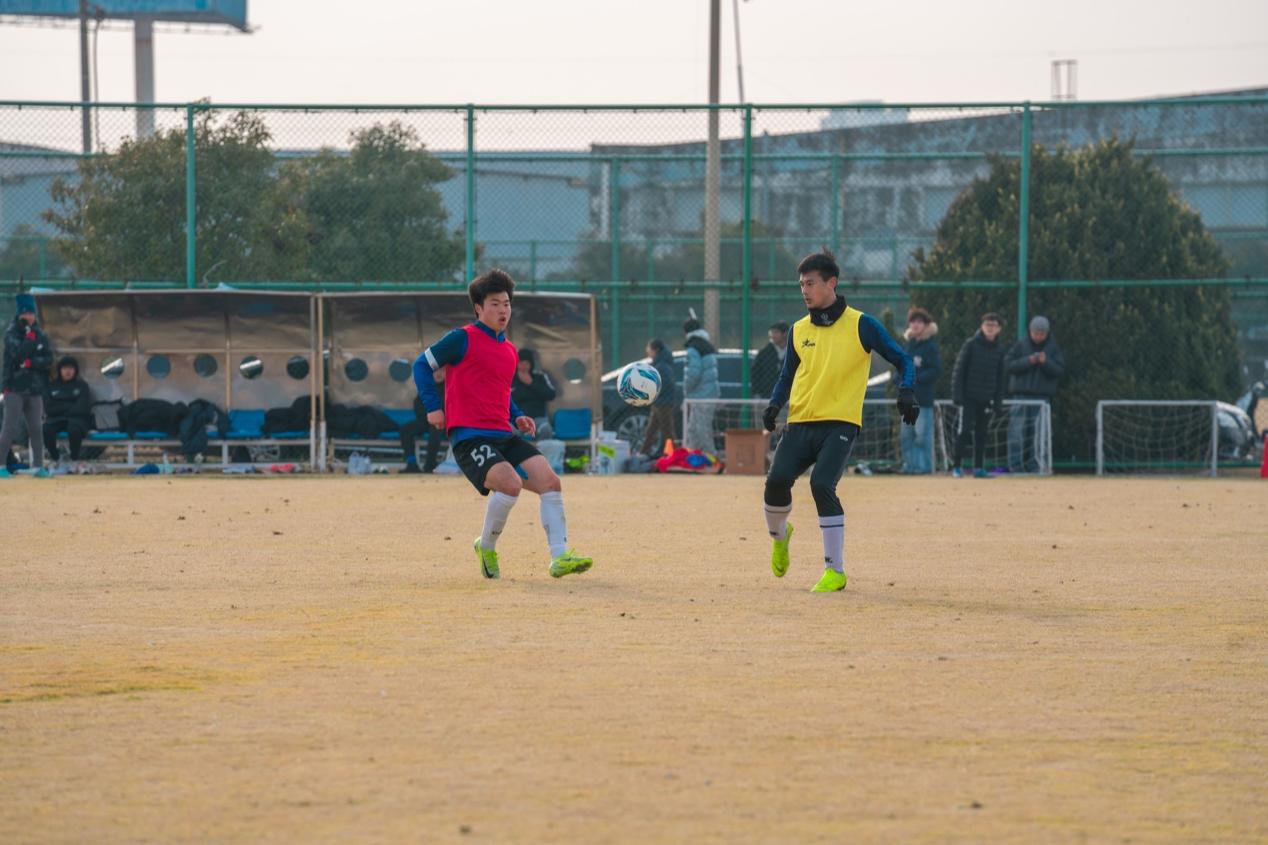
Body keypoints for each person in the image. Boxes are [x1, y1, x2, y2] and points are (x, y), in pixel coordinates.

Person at [412, 269, 592, 580]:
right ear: (478, 308)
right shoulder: (461, 338)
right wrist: (433, 407)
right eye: (495, 304)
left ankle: (560, 557)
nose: (503, 310)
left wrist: (517, 414)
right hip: (470, 437)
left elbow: (500, 392)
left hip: (503, 434)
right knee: (510, 484)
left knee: (550, 482)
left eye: (506, 304)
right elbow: (421, 365)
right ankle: (486, 546)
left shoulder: (509, 350)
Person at [761, 251, 916, 593]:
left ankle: (835, 571)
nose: (804, 290)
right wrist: (774, 405)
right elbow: (787, 376)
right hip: (801, 422)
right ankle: (780, 536)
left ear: (831, 283)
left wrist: (906, 390)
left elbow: (903, 359)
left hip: (841, 424)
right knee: (775, 484)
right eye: (801, 285)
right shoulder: (798, 330)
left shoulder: (862, 324)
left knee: (821, 485)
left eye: (810, 283)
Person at [0, 293, 53, 476]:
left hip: (35, 389)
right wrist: (30, 340)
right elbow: (18, 355)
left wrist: (31, 363)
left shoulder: (41, 334)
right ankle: (1, 465)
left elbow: (48, 359)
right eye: (26, 313)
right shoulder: (11, 333)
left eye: (31, 313)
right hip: (14, 388)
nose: (29, 317)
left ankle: (38, 465)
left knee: (36, 428)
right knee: (10, 428)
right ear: (20, 314)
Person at [1005, 315, 1065, 473]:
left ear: (1047, 333)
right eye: (1035, 333)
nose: (1038, 336)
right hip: (1020, 396)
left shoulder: (1054, 349)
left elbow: (1059, 371)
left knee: (1039, 434)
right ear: (1030, 331)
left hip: (1042, 398)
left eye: (1042, 333)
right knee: (1016, 432)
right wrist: (1028, 361)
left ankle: (1037, 466)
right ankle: (1015, 466)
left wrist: (1046, 362)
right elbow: (1009, 365)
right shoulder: (1020, 346)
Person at [950, 312, 1007, 478]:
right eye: (987, 325)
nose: (990, 328)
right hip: (969, 397)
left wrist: (997, 402)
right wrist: (957, 395)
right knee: (965, 431)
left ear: (999, 329)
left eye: (994, 326)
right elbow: (959, 370)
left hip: (986, 399)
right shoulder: (971, 344)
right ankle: (956, 466)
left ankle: (979, 468)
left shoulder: (1000, 350)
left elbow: (1001, 378)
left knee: (982, 434)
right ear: (981, 326)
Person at [900, 308, 942, 474]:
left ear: (926, 325)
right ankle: (909, 466)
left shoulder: (930, 346)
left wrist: (916, 378)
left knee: (922, 436)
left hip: (922, 400)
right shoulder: (908, 345)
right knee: (906, 436)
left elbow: (936, 370)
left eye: (919, 322)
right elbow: (899, 366)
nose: (915, 325)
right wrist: (899, 380)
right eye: (913, 321)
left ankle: (923, 467)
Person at [42, 355, 93, 467]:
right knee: (45, 430)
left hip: (77, 420)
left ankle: (74, 459)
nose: (67, 371)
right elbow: (49, 409)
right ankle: (56, 458)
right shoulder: (52, 386)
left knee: (74, 430)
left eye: (71, 368)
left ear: (75, 370)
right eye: (64, 368)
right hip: (56, 419)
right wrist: (70, 405)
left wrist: (60, 406)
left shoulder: (82, 386)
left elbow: (82, 407)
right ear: (60, 370)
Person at [682, 316, 720, 452]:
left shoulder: (693, 349)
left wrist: (686, 389)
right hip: (709, 393)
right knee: (694, 428)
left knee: (701, 429)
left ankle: (711, 455)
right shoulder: (706, 346)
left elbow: (693, 373)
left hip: (700, 395)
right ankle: (692, 453)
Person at [399, 366, 445, 474]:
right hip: (426, 421)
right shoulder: (427, 386)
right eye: (435, 371)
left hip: (444, 423)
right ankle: (412, 464)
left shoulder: (450, 388)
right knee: (405, 430)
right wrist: (428, 417)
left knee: (435, 431)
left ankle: (430, 465)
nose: (438, 374)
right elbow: (418, 404)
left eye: (441, 370)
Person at [639, 338, 678, 456]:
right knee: (651, 430)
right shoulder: (660, 364)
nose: (647, 350)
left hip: (663, 403)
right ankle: (644, 452)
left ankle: (674, 454)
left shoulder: (661, 366)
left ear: (655, 350)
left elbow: (664, 384)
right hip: (659, 402)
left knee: (667, 431)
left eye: (649, 348)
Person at [510, 348, 558, 438]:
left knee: (546, 430)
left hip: (538, 418)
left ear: (531, 364)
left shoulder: (540, 377)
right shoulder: (510, 378)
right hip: (517, 419)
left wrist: (531, 383)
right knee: (509, 432)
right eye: (521, 363)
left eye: (526, 363)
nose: (523, 366)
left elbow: (551, 394)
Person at [750, 321, 789, 399]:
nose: (772, 336)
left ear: (785, 334)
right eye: (771, 332)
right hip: (767, 395)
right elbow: (755, 373)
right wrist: (756, 393)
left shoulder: (792, 351)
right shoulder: (764, 353)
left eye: (776, 332)